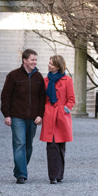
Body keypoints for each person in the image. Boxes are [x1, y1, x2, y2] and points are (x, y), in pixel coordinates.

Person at [1, 49, 46, 184]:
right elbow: (5, 96)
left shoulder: (39, 77)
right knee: (19, 143)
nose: (35, 62)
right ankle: (21, 174)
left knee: (28, 146)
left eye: (36, 60)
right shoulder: (13, 76)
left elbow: (42, 98)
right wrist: (7, 115)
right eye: (32, 59)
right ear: (24, 60)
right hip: (17, 116)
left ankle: (19, 169)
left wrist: (40, 115)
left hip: (33, 118)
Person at [40, 55, 75, 184]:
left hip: (62, 116)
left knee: (61, 146)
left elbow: (71, 99)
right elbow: (42, 99)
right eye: (49, 63)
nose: (49, 66)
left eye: (52, 64)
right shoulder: (45, 81)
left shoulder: (67, 80)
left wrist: (66, 108)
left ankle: (60, 174)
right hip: (49, 115)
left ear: (59, 66)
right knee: (52, 145)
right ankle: (53, 176)